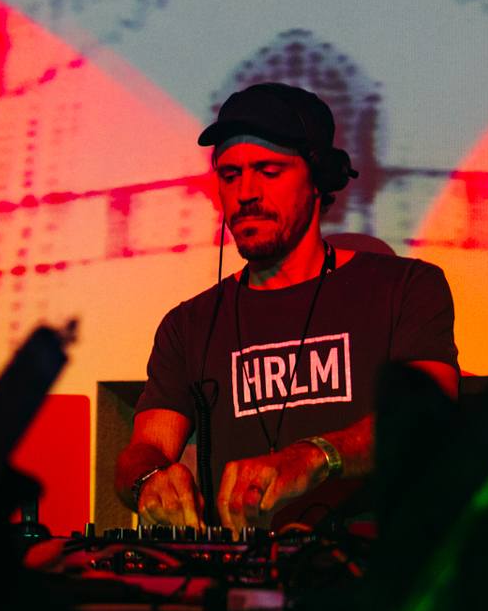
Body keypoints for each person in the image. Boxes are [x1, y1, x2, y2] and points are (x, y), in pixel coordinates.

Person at [115, 82, 460, 533]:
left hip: (375, 566)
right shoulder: (188, 325)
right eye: (230, 175)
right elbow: (146, 450)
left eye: (269, 171)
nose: (246, 193)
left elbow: (425, 418)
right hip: (244, 572)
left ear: (319, 180)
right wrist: (149, 480)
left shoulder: (407, 286)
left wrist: (313, 456)